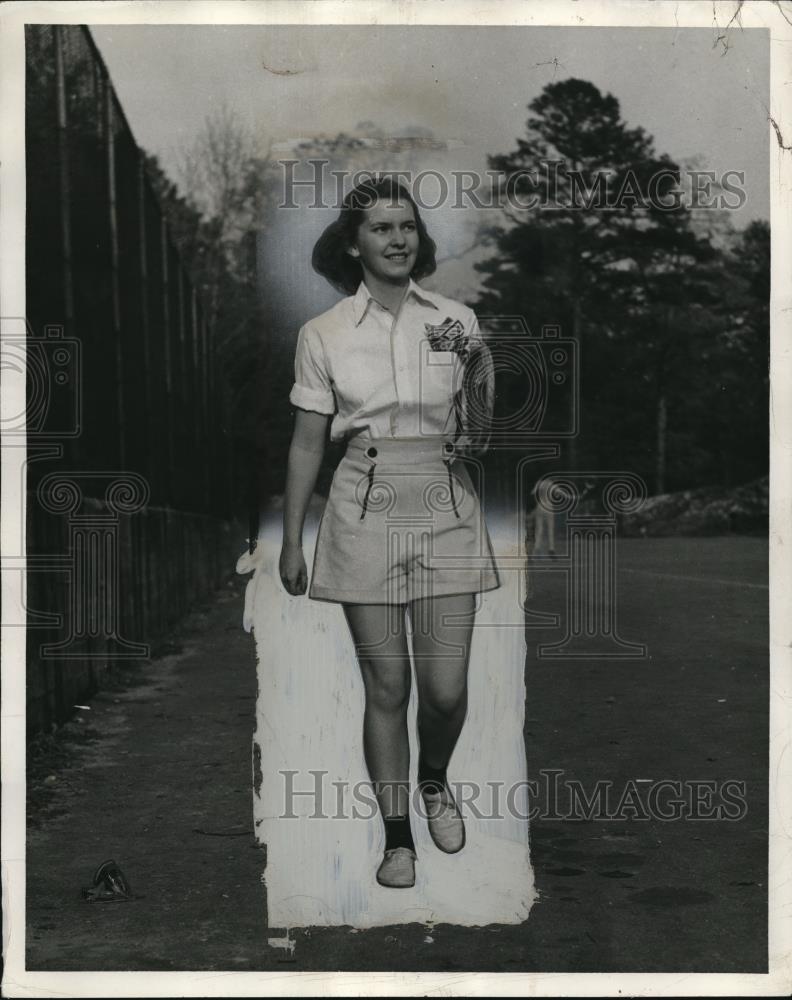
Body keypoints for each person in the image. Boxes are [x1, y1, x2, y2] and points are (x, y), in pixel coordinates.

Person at [279, 176, 501, 890]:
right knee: (388, 683)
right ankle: (397, 838)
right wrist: (291, 539)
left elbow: (484, 418)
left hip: (443, 502)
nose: (399, 237)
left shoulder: (458, 322)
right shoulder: (324, 334)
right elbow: (308, 444)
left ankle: (434, 779)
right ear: (354, 243)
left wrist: (476, 434)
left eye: (407, 225)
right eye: (381, 227)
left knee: (443, 690)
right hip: (363, 504)